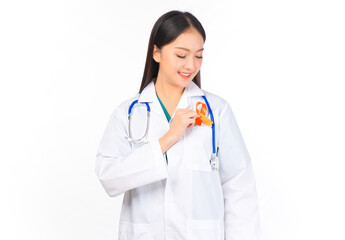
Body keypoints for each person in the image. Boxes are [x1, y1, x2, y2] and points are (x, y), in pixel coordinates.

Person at [95, 10, 261, 240]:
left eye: (199, 56)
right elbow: (109, 177)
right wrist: (168, 138)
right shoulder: (129, 113)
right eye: (181, 55)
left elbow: (239, 190)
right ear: (156, 53)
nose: (191, 65)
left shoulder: (217, 111)